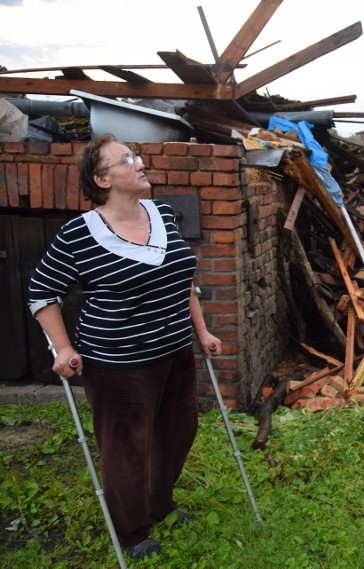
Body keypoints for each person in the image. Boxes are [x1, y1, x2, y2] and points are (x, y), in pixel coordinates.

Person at [27, 133, 221, 560]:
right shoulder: (79, 233)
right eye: (126, 159)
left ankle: (160, 503)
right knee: (127, 446)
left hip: (173, 352)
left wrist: (201, 330)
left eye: (136, 155)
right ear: (101, 179)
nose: (139, 162)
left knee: (178, 432)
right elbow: (42, 291)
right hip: (118, 363)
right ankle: (133, 531)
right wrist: (61, 348)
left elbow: (182, 279)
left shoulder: (163, 213)